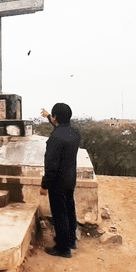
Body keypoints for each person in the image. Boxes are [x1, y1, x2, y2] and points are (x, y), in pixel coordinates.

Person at [39, 103, 81, 258]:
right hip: (70, 179)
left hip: (57, 182)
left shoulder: (55, 138)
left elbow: (51, 166)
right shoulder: (74, 133)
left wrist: (45, 185)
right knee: (70, 209)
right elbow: (60, 125)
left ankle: (63, 248)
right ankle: (71, 240)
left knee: (59, 214)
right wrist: (48, 117)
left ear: (56, 117)